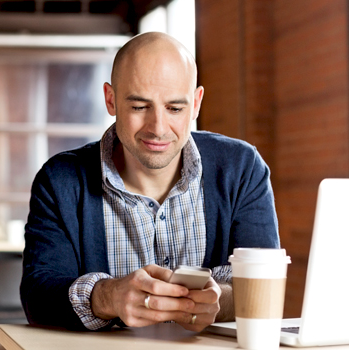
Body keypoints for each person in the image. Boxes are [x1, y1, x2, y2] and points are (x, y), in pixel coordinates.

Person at [20, 32, 279, 332]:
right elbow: (38, 298)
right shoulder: (60, 181)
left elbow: (265, 284)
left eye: (175, 108)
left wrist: (217, 301)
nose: (157, 128)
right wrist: (107, 297)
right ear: (111, 99)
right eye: (140, 107)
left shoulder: (242, 169)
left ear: (195, 104)